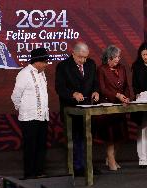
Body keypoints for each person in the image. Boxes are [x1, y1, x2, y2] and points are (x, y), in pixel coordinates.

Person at [55, 42, 99, 176]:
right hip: (71, 110)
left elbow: (95, 82)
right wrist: (73, 94)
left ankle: (89, 165)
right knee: (75, 139)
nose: (83, 60)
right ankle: (77, 167)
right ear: (73, 53)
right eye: (80, 57)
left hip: (88, 109)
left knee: (88, 138)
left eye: (85, 57)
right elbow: (60, 88)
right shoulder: (63, 66)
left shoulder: (91, 64)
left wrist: (96, 91)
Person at [11, 48, 51, 178]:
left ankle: (39, 171)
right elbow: (15, 96)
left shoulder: (42, 74)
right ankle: (29, 174)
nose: (46, 64)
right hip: (29, 118)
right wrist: (23, 109)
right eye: (44, 62)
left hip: (43, 116)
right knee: (30, 147)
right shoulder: (24, 73)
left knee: (41, 146)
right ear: (37, 61)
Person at [97, 45, 130, 171]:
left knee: (120, 136)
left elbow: (126, 85)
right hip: (108, 106)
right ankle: (111, 160)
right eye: (115, 57)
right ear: (108, 58)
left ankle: (111, 158)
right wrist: (117, 95)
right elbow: (102, 89)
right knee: (110, 136)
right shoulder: (101, 69)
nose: (117, 59)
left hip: (120, 106)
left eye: (118, 56)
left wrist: (127, 97)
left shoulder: (121, 68)